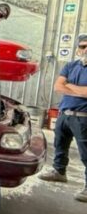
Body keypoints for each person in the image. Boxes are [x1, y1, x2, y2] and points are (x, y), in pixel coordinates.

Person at [38, 35, 87, 202]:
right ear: (78, 49)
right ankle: (59, 172)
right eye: (83, 46)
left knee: (85, 154)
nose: (85, 49)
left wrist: (69, 86)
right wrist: (78, 89)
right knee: (60, 146)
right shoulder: (71, 65)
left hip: (83, 118)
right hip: (64, 114)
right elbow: (58, 86)